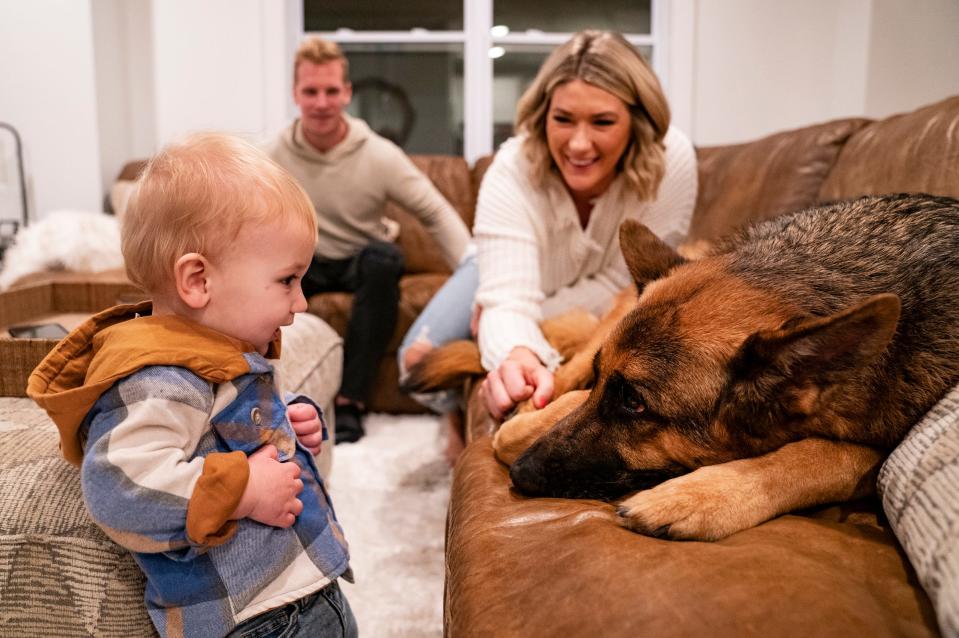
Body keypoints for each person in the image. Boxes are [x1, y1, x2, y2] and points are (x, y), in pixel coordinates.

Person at [27, 133, 357, 638]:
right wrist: (243, 490)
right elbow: (119, 487)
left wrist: (285, 416)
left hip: (293, 597)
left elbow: (223, 423)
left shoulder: (213, 349)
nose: (302, 302)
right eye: (287, 280)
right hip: (257, 619)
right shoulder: (160, 378)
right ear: (198, 280)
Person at [399, 29, 698, 449]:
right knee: (413, 360)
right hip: (500, 266)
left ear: (639, 121)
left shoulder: (673, 160)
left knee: (489, 332)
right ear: (542, 115)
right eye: (563, 119)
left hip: (583, 295)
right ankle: (452, 406)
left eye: (603, 122)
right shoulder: (510, 169)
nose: (578, 144)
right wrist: (519, 351)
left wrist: (504, 327)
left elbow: (625, 288)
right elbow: (508, 299)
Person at [266, 36, 471, 444]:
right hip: (304, 265)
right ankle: (269, 392)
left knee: (384, 258)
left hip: (361, 262)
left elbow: (435, 211)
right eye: (311, 91)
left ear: (346, 93)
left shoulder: (378, 154)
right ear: (295, 94)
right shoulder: (270, 154)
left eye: (330, 91)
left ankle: (350, 403)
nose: (321, 102)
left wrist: (474, 271)